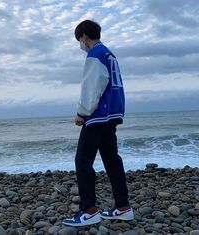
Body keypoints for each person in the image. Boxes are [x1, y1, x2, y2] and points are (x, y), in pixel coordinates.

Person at [63, 20, 133, 227]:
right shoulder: (110, 54)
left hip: (97, 115)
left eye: (79, 39)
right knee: (112, 160)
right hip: (111, 115)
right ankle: (123, 207)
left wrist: (81, 113)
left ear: (84, 36)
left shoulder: (95, 54)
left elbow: (92, 87)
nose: (80, 44)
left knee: (83, 161)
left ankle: (89, 210)